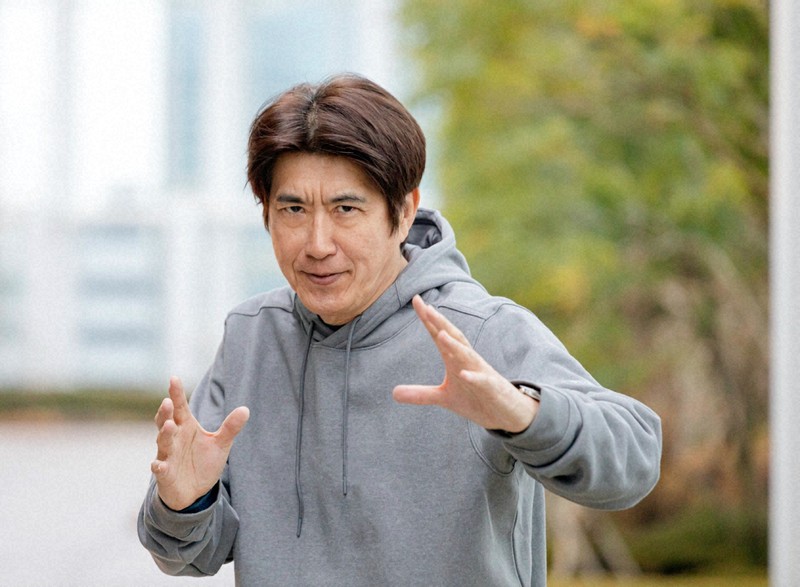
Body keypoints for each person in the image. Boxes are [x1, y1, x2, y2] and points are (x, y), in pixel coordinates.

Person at [138, 74, 661, 586]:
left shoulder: (480, 333)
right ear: (267, 215)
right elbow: (190, 555)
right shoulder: (251, 338)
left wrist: (523, 414)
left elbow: (635, 459)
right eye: (293, 209)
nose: (317, 244)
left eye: (346, 209)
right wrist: (184, 502)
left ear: (404, 211)